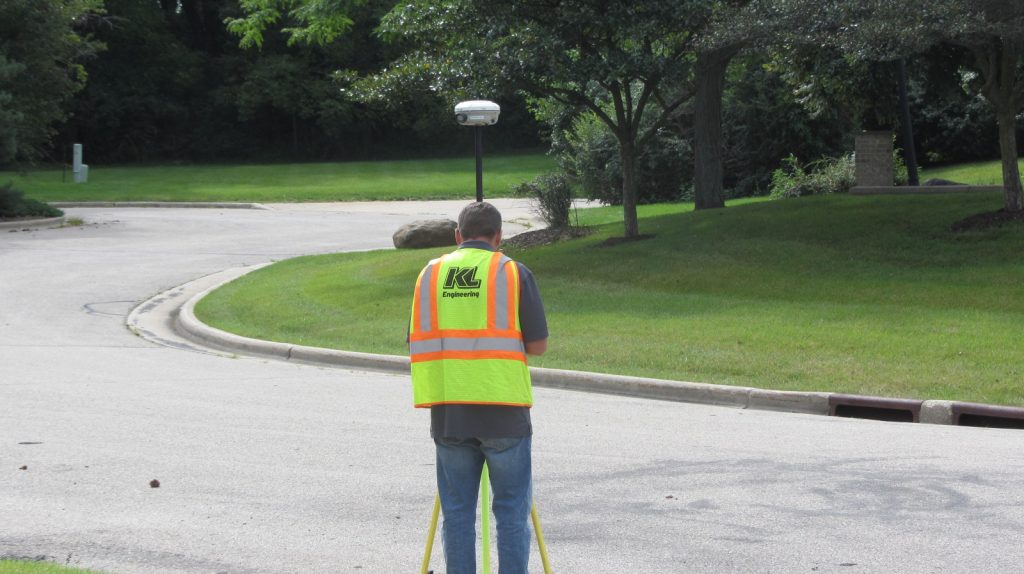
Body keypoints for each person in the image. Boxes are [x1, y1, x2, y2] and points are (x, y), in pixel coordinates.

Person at [409, 201, 548, 574]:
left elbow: (417, 340)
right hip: (504, 413)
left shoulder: (430, 274)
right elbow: (537, 345)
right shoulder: (513, 272)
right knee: (511, 514)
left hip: (450, 414)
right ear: (499, 237)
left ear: (458, 236)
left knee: (456, 515)